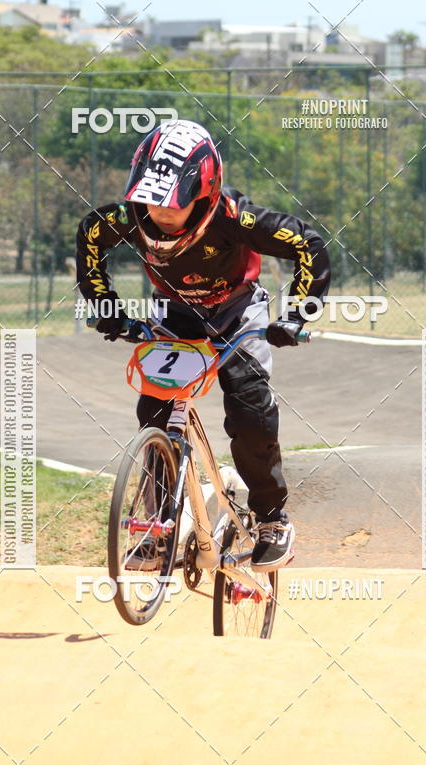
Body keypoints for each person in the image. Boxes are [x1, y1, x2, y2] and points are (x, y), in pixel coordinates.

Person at [76, 119, 330, 571]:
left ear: (204, 193)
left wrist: (296, 316)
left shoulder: (235, 218)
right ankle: (157, 523)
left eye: (172, 203)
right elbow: (91, 236)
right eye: (150, 200)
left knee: (249, 407)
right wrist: (106, 308)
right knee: (154, 409)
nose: (159, 213)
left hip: (237, 312)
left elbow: (309, 243)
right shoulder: (126, 219)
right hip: (175, 314)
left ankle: (272, 520)